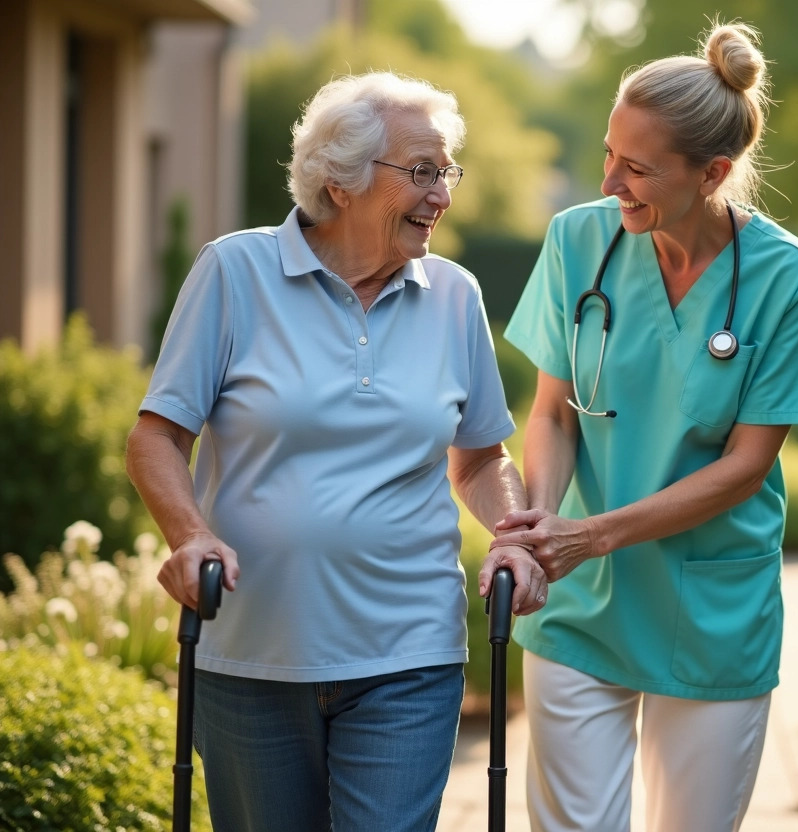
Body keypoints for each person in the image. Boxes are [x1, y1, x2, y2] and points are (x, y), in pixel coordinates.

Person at [125, 71, 547, 832]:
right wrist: (191, 536)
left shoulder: (455, 295)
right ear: (341, 180)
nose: (442, 194)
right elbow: (157, 436)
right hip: (254, 652)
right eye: (421, 171)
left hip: (409, 653)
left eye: (446, 171)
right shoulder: (234, 273)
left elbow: (481, 457)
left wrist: (513, 538)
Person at [489, 21, 798, 832]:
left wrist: (593, 534)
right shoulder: (580, 239)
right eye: (610, 153)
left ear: (712, 173)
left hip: (707, 607)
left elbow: (746, 466)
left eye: (638, 168)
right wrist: (542, 528)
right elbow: (551, 413)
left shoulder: (789, 279)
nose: (611, 180)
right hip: (583, 601)